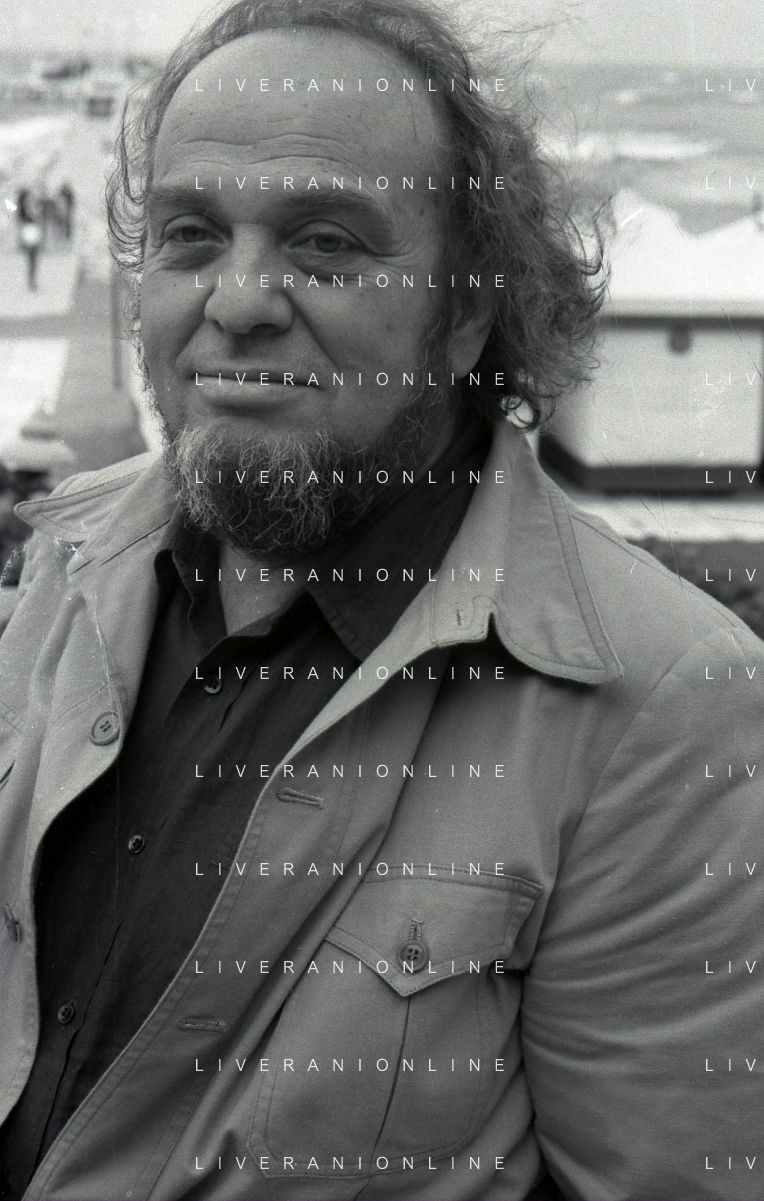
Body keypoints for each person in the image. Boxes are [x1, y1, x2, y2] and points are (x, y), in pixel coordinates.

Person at [0, 1, 762, 1197]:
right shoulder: (68, 555)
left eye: (325, 244)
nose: (238, 299)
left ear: (468, 315)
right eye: (190, 234)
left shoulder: (654, 705)